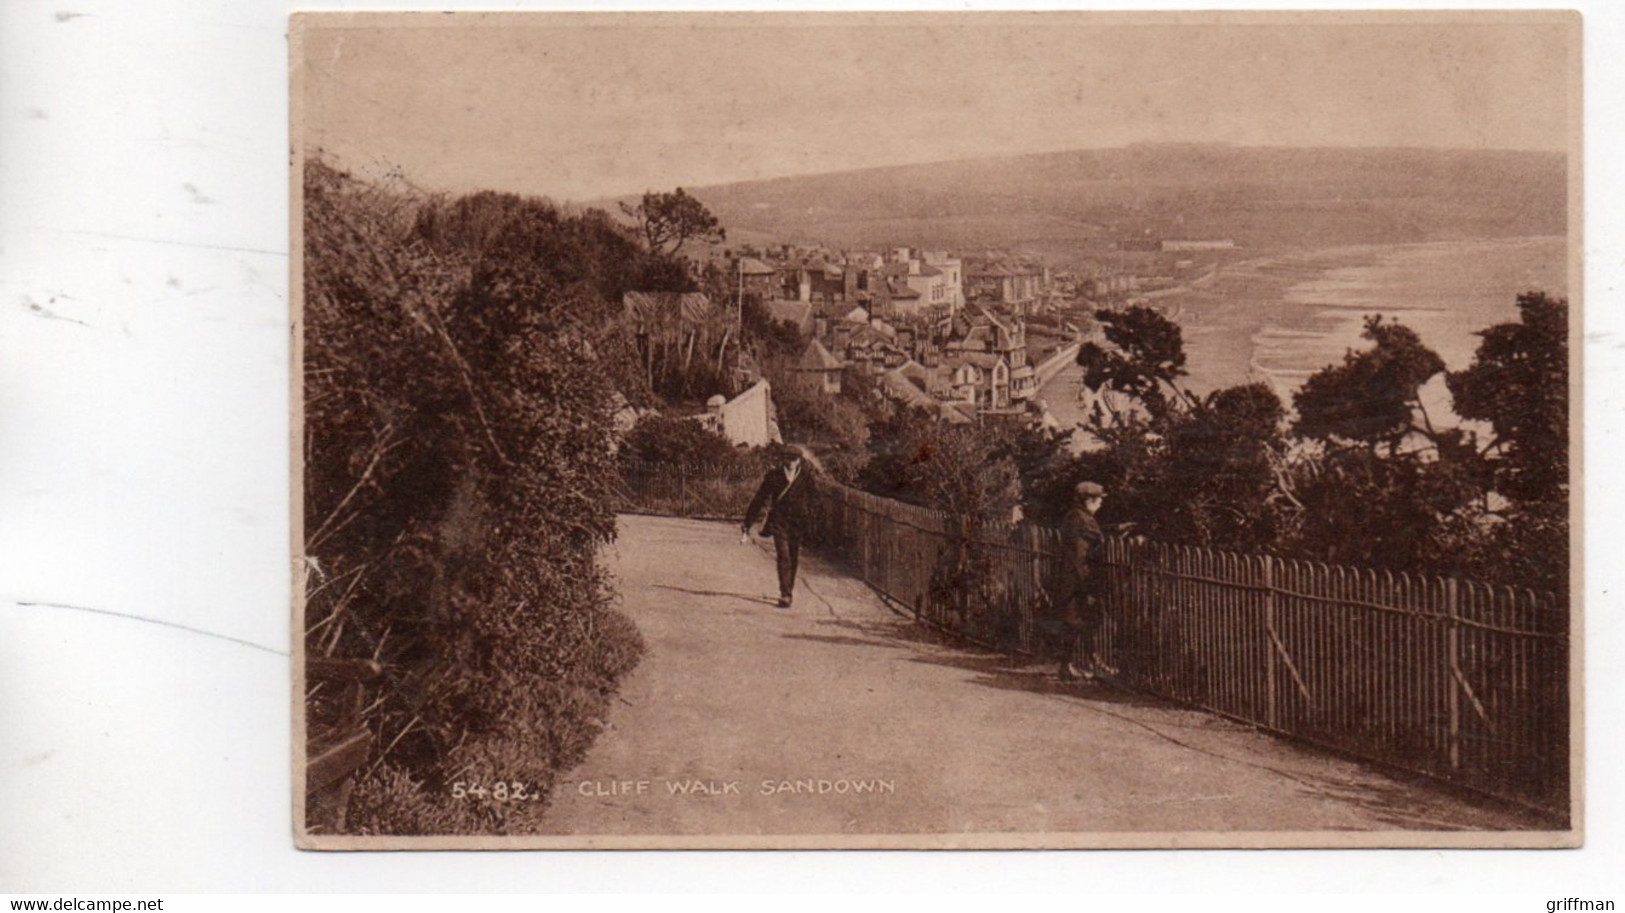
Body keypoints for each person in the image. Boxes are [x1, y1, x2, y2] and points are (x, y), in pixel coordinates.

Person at [741, 447, 815, 608]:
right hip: (779, 521)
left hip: (797, 523)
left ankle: (789, 589)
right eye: (787, 459)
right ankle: (785, 594)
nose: (790, 463)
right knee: (783, 555)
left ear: (799, 460)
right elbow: (760, 498)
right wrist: (748, 522)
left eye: (793, 460)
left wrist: (812, 523)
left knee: (793, 557)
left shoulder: (806, 477)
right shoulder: (773, 476)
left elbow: (815, 500)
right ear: (783, 460)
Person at [1050, 480, 1107, 682]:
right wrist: (1088, 586)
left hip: (1068, 579)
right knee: (1079, 622)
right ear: (1089, 500)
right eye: (1099, 499)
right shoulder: (1085, 520)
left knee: (1076, 623)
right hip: (1078, 581)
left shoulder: (1072, 517)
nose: (1100, 503)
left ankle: (1083, 663)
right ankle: (1083, 664)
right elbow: (1083, 554)